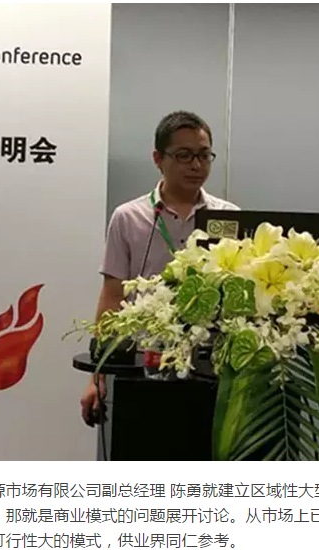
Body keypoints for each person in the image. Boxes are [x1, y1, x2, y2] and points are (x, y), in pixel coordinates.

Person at [80, 110, 239, 426]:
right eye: (184, 155)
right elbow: (113, 296)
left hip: (211, 372)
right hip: (143, 367)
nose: (196, 165)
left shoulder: (228, 217)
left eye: (204, 155)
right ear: (158, 158)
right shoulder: (128, 217)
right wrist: (97, 376)